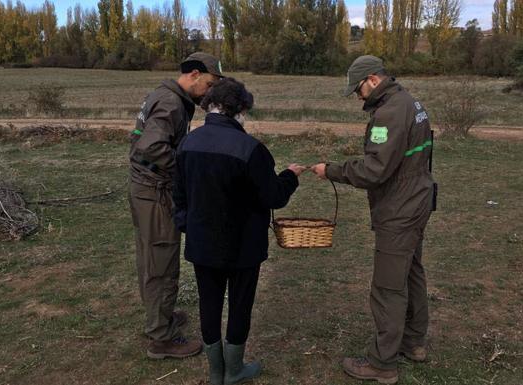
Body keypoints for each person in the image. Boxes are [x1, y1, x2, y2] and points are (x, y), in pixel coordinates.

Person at [311, 55, 436, 384]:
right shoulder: (410, 102)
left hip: (400, 210)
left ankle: (382, 363)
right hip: (417, 201)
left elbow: (375, 169)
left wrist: (332, 171)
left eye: (358, 89)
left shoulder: (390, 113)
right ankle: (413, 342)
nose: (358, 96)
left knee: (386, 287)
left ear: (373, 80)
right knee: (411, 273)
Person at [173, 77, 305, 385]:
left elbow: (178, 196)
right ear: (239, 109)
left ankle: (215, 372)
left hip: (202, 243)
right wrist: (290, 175)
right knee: (240, 305)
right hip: (243, 247)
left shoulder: (187, 143)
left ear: (211, 107)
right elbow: (274, 196)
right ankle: (233, 370)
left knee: (209, 302)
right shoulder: (250, 149)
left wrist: (187, 226)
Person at [128, 52, 223, 359]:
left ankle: (160, 318)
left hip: (144, 188)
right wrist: (184, 167)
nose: (209, 92)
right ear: (194, 75)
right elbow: (150, 147)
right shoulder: (170, 103)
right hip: (155, 193)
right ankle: (161, 338)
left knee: (151, 257)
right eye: (209, 84)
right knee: (162, 264)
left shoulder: (163, 94)